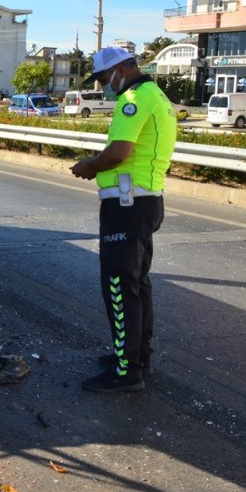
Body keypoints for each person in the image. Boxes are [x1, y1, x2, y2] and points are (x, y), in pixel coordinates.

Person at [70, 46, 177, 393]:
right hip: (145, 201)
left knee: (118, 285)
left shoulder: (133, 98)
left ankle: (127, 370)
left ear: (121, 70)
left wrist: (90, 165)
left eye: (103, 78)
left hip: (128, 205)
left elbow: (119, 153)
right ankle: (136, 356)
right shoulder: (155, 95)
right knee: (136, 283)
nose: (102, 86)